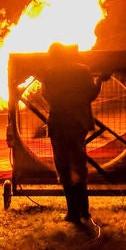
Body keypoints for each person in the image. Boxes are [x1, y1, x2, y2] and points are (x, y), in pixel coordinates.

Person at [37, 42, 104, 238]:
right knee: (78, 165)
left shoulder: (50, 73)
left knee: (63, 166)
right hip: (78, 123)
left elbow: (46, 95)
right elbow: (91, 94)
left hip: (59, 124)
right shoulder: (82, 70)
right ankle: (83, 210)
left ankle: (72, 211)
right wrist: (99, 80)